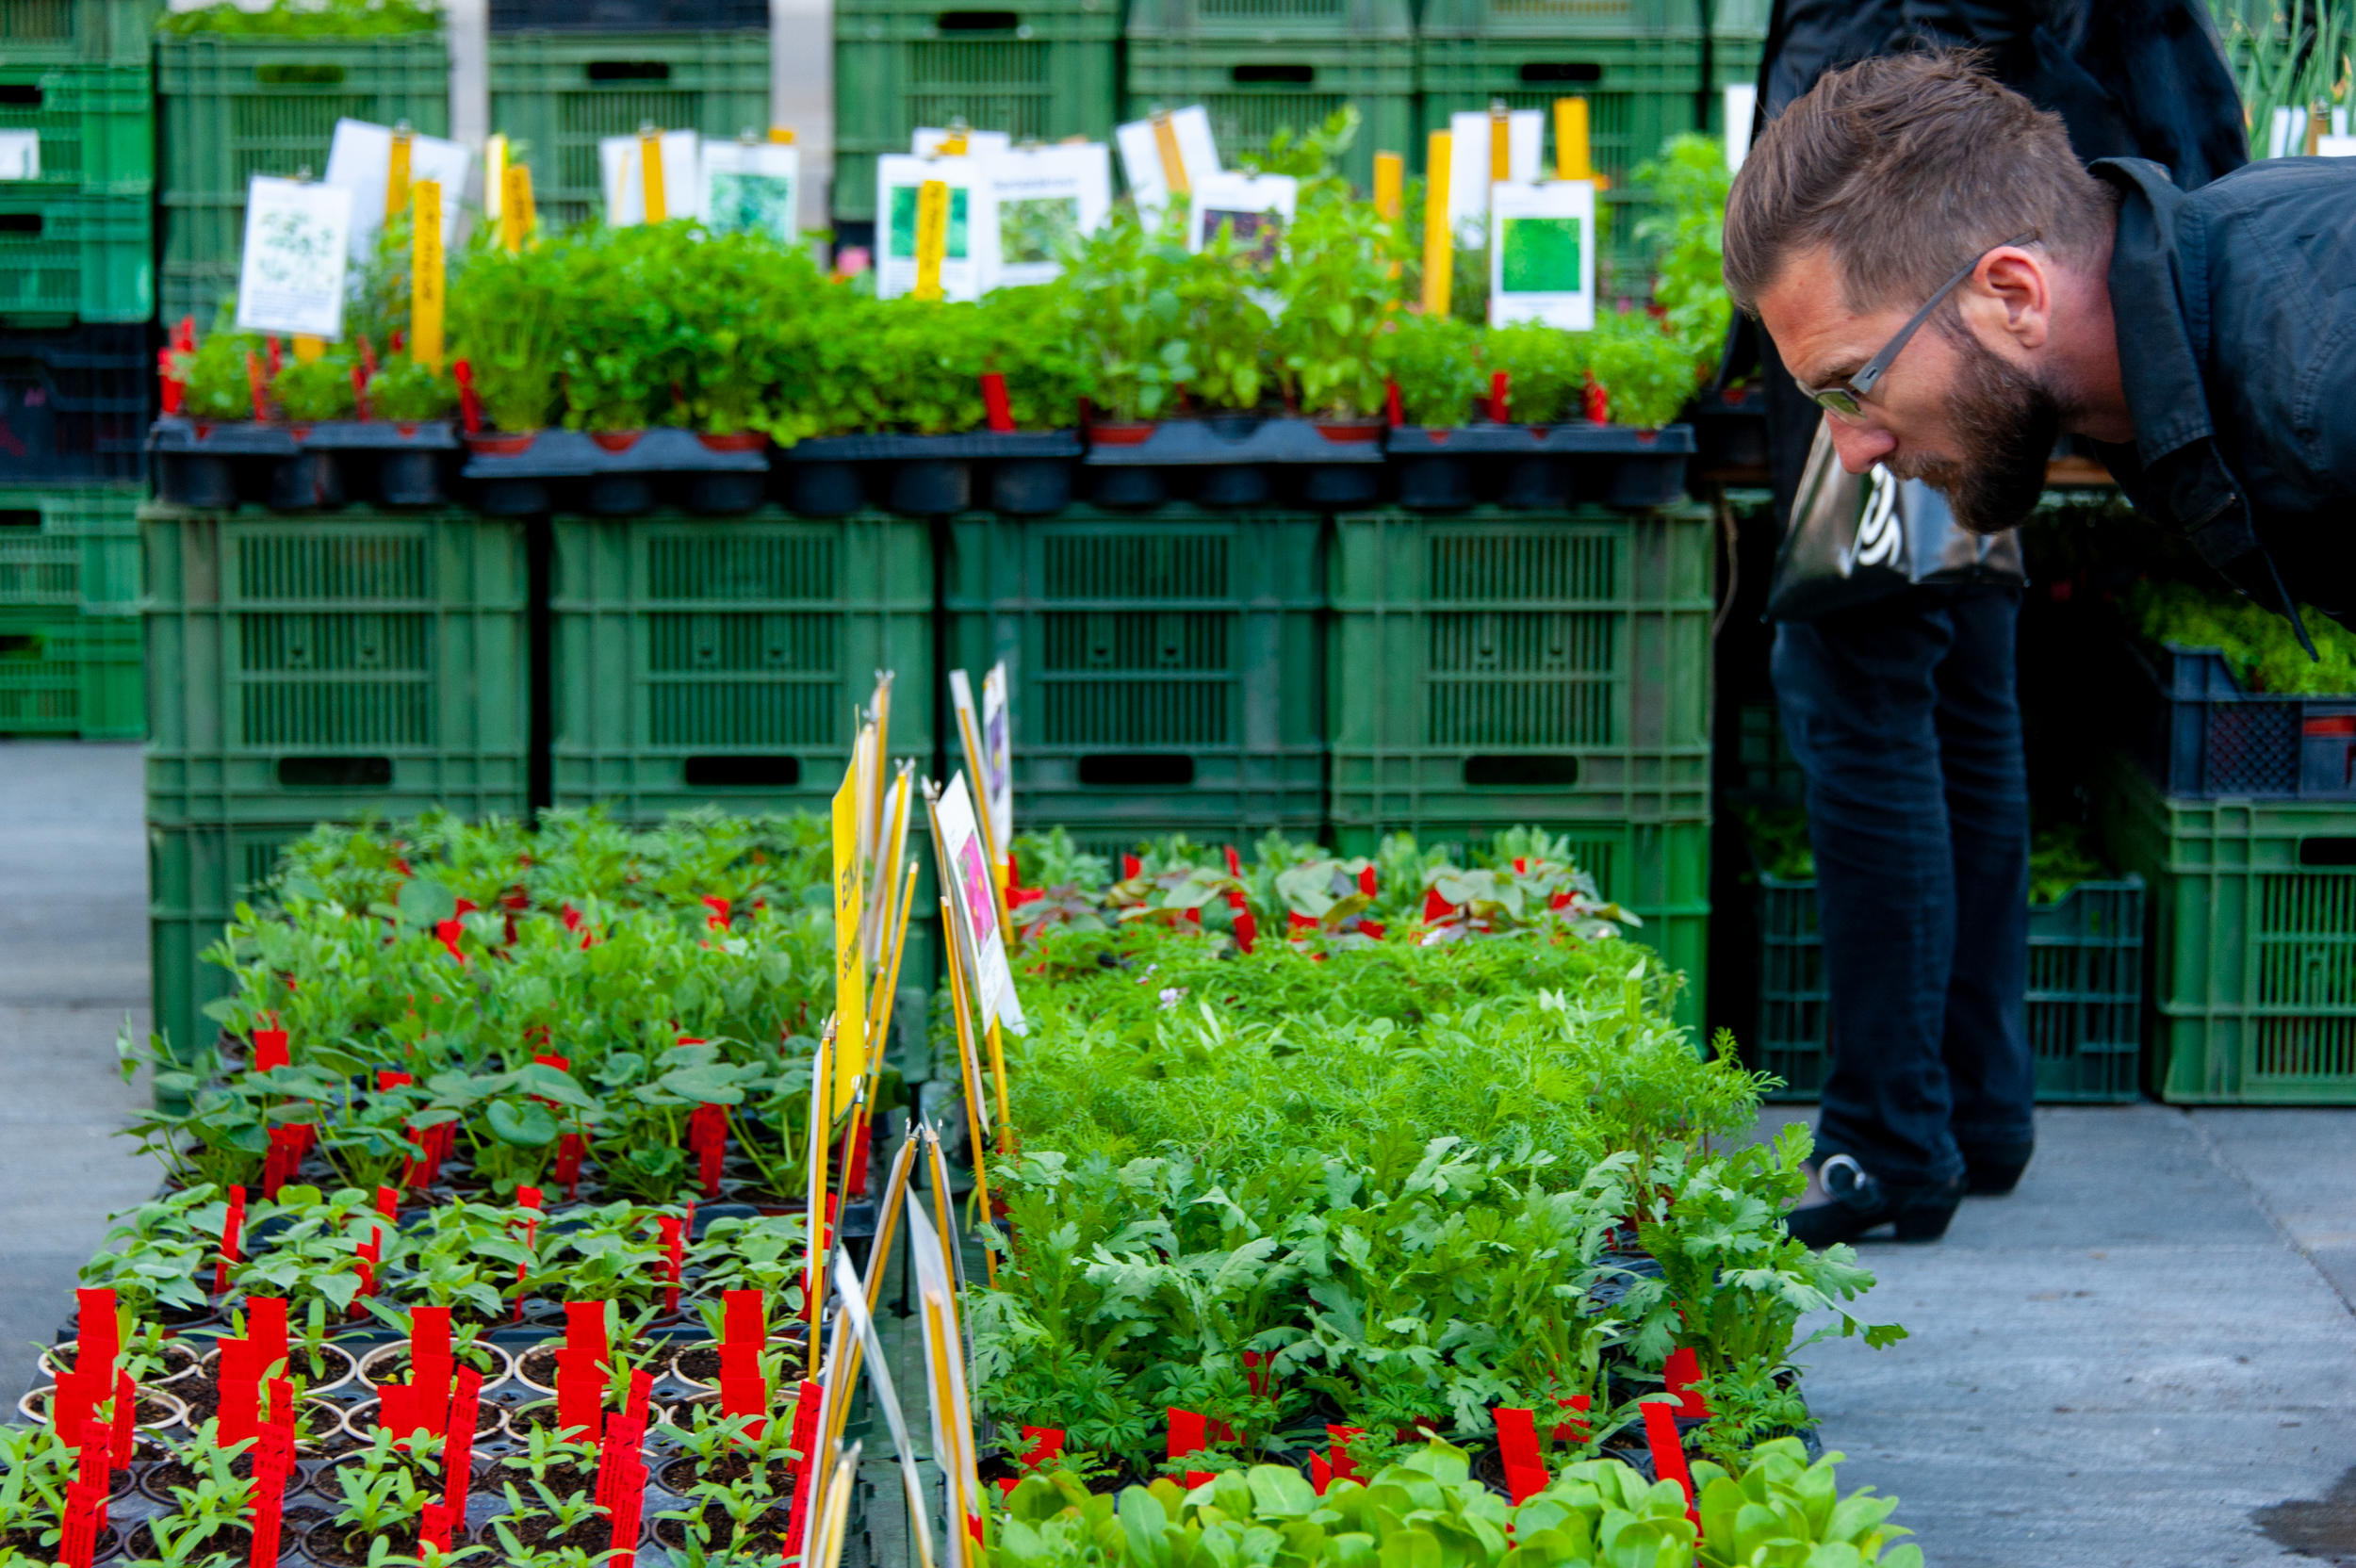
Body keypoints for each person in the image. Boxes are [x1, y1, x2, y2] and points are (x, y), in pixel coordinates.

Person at [1723, 5, 2262, 1249]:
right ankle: (1975, 1102)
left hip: (1892, 264)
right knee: (1953, 665)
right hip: (1927, 246)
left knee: (1856, 673)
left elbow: (1956, 18)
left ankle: (1890, 1137)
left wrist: (1887, 178)